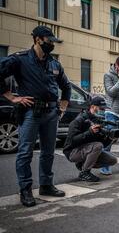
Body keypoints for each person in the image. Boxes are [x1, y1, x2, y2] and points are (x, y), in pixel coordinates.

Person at [0, 26, 71, 207]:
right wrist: (13, 97)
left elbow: (67, 86)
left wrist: (62, 108)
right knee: (25, 153)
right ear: (38, 39)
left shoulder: (54, 63)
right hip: (31, 112)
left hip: (51, 114)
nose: (52, 45)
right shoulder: (20, 60)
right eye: (49, 41)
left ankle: (46, 185)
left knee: (48, 153)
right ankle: (25, 190)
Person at [63, 96, 118, 182]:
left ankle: (82, 164)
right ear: (92, 107)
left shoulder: (97, 120)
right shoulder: (79, 120)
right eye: (101, 109)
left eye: (104, 110)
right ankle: (84, 173)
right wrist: (90, 132)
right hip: (72, 151)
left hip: (86, 149)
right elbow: (72, 141)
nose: (102, 111)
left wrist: (110, 138)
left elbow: (103, 144)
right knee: (97, 146)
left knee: (112, 160)